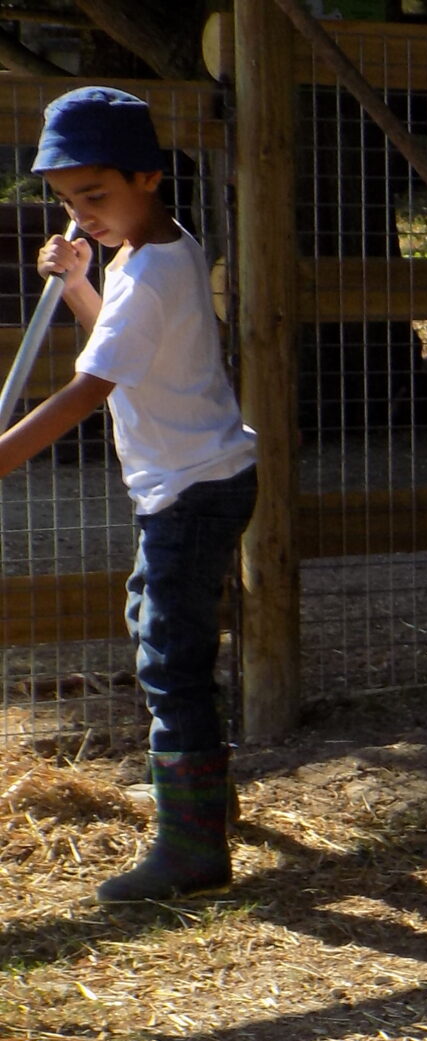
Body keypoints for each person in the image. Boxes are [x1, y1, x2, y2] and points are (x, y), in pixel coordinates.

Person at [0, 88, 258, 904]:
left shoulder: (147, 273)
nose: (83, 215)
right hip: (197, 481)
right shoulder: (160, 251)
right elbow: (118, 341)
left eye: (96, 197)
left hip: (188, 491)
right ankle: (203, 802)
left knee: (169, 659)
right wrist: (80, 279)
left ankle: (192, 851)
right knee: (159, 630)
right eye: (71, 202)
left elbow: (88, 390)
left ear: (148, 176)